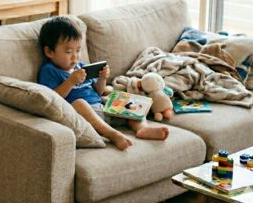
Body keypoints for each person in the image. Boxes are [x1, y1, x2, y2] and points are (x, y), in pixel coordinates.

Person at [37, 17, 168, 151]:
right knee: (79, 103)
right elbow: (53, 99)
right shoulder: (49, 70)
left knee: (127, 100)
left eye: (78, 50)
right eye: (69, 51)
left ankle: (142, 128)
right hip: (84, 115)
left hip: (102, 108)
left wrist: (102, 79)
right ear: (49, 52)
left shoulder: (81, 66)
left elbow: (98, 91)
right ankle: (112, 134)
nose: (75, 57)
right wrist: (71, 81)